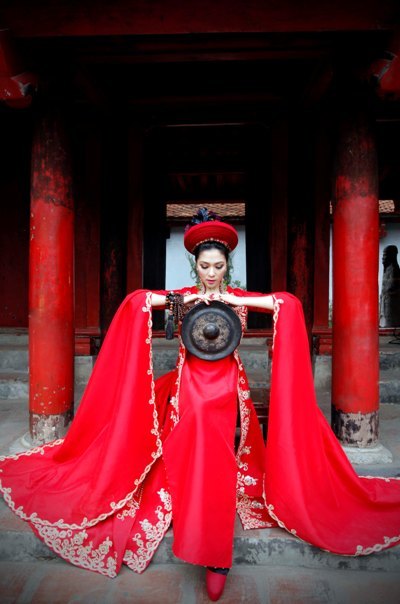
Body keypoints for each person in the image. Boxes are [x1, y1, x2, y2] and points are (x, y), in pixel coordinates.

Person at [0, 208, 399, 602]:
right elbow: (137, 301)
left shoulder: (236, 296)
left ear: (228, 267)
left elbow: (288, 304)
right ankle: (194, 505)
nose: (211, 273)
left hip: (227, 381)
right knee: (194, 414)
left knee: (210, 416)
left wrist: (229, 298)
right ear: (196, 266)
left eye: (218, 266)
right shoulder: (184, 297)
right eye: (205, 266)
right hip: (187, 379)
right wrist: (178, 298)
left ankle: (214, 546)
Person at [380, 244, 400, 328]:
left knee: (390, 320)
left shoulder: (394, 269)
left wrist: (386, 292)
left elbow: (392, 286)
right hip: (385, 301)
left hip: (391, 302)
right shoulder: (387, 269)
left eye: (385, 255)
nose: (383, 258)